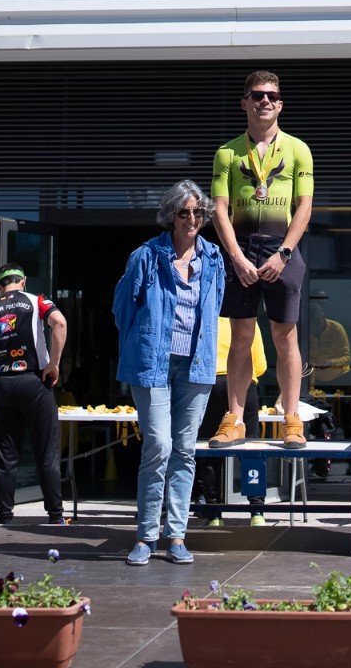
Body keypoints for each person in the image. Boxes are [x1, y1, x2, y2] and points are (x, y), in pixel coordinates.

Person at [114, 180, 225, 566]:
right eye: (184, 212)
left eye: (198, 212)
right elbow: (123, 309)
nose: (192, 218)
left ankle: (176, 535)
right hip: (152, 364)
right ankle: (146, 535)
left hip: (196, 365)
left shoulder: (214, 257)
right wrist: (141, 345)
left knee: (184, 450)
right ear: (171, 216)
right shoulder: (146, 255)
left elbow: (214, 307)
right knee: (158, 445)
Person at [207, 71, 314, 451]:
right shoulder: (227, 152)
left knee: (286, 336)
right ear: (245, 103)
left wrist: (284, 253)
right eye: (257, 95)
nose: (264, 101)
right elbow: (219, 209)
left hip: (283, 249)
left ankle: (291, 419)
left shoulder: (298, 149)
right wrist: (235, 257)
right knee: (241, 336)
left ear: (280, 104)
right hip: (241, 250)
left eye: (271, 95)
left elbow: (305, 207)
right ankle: (234, 419)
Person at [0, 266, 67, 525]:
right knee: (46, 451)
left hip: (5, 384)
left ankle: (5, 515)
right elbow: (59, 323)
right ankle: (55, 515)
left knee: (7, 454)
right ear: (23, 282)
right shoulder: (36, 300)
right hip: (36, 380)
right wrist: (54, 364)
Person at [194, 317, 268, 527]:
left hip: (211, 384)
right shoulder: (248, 320)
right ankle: (257, 511)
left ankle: (214, 514)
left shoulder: (205, 318)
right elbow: (261, 365)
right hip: (245, 385)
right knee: (251, 450)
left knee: (210, 451)